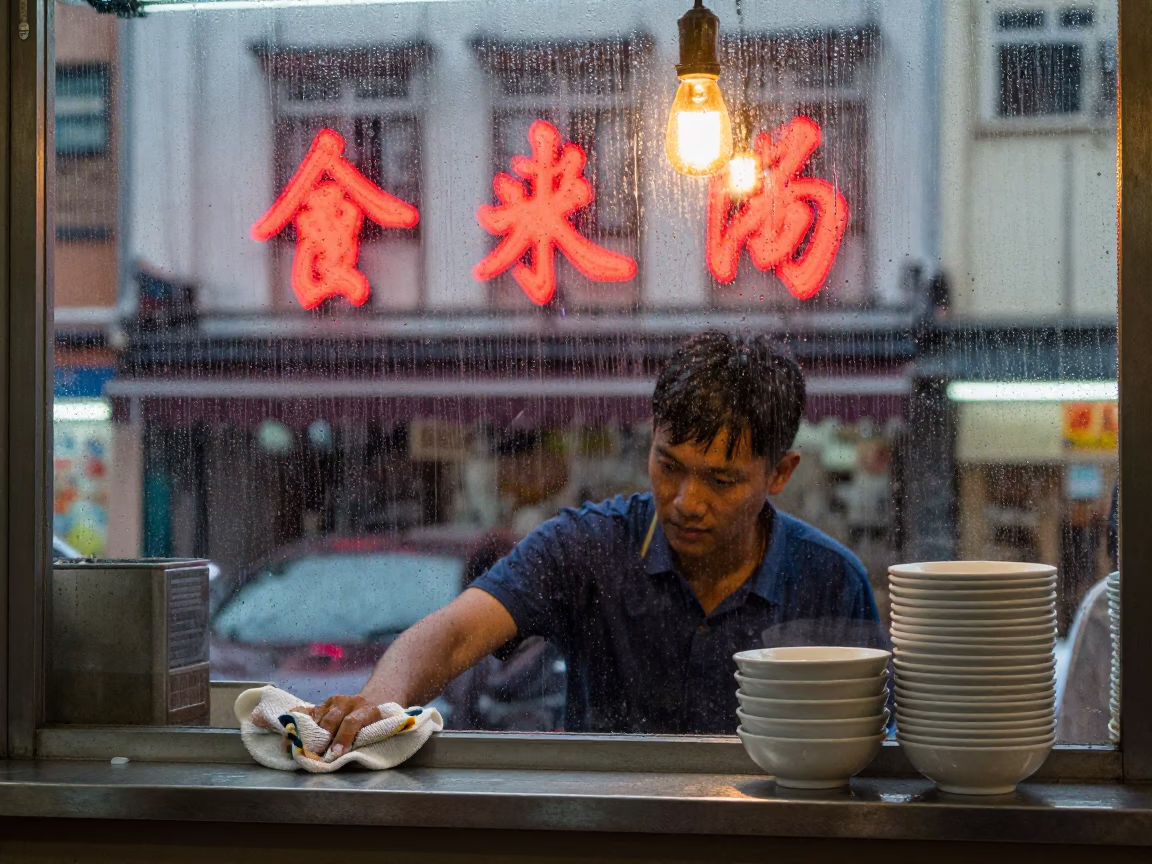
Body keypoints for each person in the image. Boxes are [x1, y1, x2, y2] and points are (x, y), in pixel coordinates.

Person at [308, 330, 883, 757]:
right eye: (669, 465)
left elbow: (874, 740)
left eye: (721, 480)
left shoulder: (830, 581)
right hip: (604, 826)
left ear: (780, 473)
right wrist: (378, 703)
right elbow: (455, 633)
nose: (686, 500)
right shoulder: (588, 547)